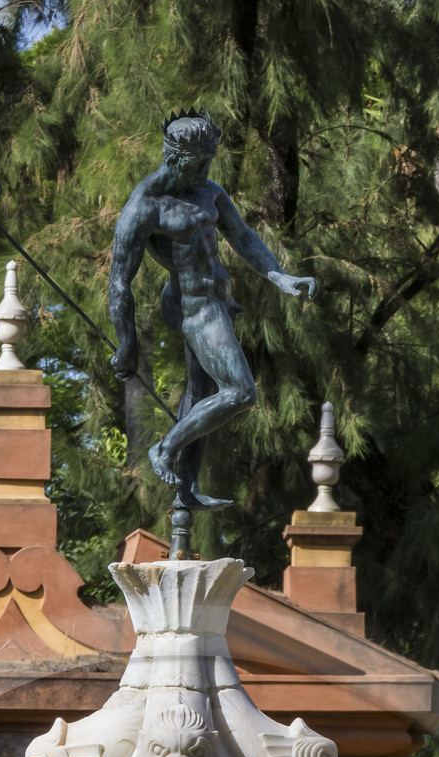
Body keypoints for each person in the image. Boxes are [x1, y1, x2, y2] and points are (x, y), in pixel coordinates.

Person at [108, 109, 316, 513]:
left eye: (211, 160)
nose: (208, 169)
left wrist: (281, 277)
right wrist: (127, 344)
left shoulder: (209, 191)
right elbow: (120, 283)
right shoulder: (145, 207)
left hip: (217, 301)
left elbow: (242, 236)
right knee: (240, 393)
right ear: (179, 160)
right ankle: (164, 447)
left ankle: (186, 490)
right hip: (195, 308)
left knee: (201, 393)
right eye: (202, 162)